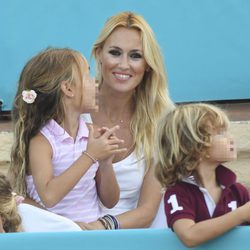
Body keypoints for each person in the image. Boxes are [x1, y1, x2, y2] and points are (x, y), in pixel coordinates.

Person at [8, 47, 127, 226]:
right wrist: (90, 156)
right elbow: (49, 196)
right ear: (68, 88)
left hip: (89, 234)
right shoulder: (42, 141)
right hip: (55, 237)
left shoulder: (91, 133)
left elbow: (110, 201)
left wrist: (105, 164)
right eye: (87, 75)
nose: (94, 81)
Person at [81, 11, 175, 229]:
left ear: (148, 64)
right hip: (71, 227)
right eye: (115, 52)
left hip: (132, 231)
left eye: (135, 56)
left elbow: (148, 211)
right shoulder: (72, 107)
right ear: (98, 55)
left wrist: (101, 226)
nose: (124, 65)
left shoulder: (162, 118)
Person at [155, 103, 250, 247]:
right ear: (194, 146)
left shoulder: (237, 191)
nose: (230, 137)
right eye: (220, 133)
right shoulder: (178, 192)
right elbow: (189, 236)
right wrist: (242, 214)